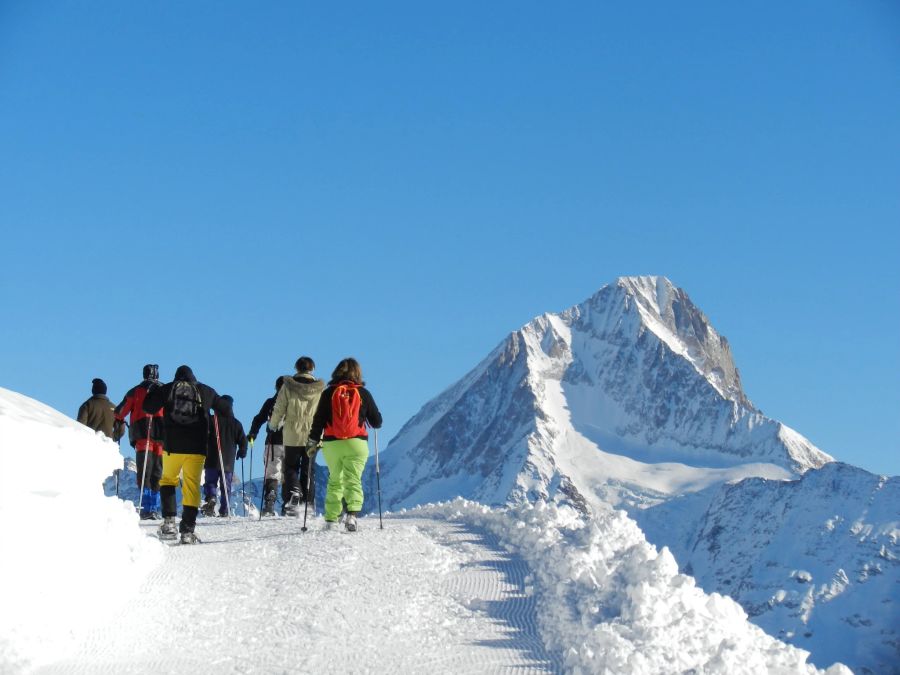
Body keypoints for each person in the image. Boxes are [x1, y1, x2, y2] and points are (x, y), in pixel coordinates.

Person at [142, 365, 226, 544]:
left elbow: (148, 407)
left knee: (168, 480)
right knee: (191, 486)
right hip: (197, 448)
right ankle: (187, 531)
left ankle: (169, 523)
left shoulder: (168, 388)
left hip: (172, 446)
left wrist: (153, 392)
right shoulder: (205, 390)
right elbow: (225, 409)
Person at [307, 358, 382, 532]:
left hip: (332, 444)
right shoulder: (363, 393)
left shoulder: (328, 393)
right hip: (356, 443)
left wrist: (312, 441)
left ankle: (331, 519)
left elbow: (318, 420)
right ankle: (352, 516)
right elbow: (377, 421)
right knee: (353, 479)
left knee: (335, 480)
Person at [267, 357, 325, 517]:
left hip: (292, 433)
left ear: (296, 368)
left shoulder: (288, 386)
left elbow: (279, 408)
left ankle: (294, 492)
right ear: (312, 368)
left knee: (291, 467)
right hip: (313, 434)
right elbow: (324, 411)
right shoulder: (319, 389)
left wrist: (273, 425)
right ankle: (308, 505)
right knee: (309, 470)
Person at [114, 364, 165, 519]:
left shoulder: (135, 391)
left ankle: (146, 507)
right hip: (161, 436)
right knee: (157, 471)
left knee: (144, 472)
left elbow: (120, 412)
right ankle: (154, 507)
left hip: (143, 434)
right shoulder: (165, 390)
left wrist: (118, 421)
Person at [201, 395, 247, 517]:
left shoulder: (211, 420)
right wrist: (242, 451)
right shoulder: (236, 424)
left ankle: (211, 497)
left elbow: (202, 435)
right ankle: (224, 510)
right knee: (225, 486)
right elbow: (243, 440)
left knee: (210, 482)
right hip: (228, 461)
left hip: (211, 458)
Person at [248, 376, 286, 517]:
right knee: (288, 473)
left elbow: (258, 419)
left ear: (276, 387)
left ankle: (269, 502)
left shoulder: (271, 402)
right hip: (291, 442)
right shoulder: (293, 403)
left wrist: (253, 433)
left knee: (272, 473)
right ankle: (288, 506)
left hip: (272, 442)